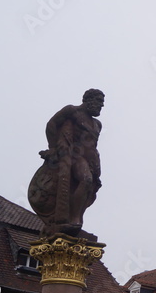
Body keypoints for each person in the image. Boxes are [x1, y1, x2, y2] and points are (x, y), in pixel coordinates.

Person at [27, 89, 105, 236]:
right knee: (85, 179)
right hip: (74, 156)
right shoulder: (72, 111)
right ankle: (74, 219)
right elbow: (52, 124)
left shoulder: (97, 124)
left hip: (91, 160)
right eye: (99, 101)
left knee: (88, 188)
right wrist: (53, 148)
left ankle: (75, 217)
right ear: (88, 100)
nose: (101, 105)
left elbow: (93, 145)